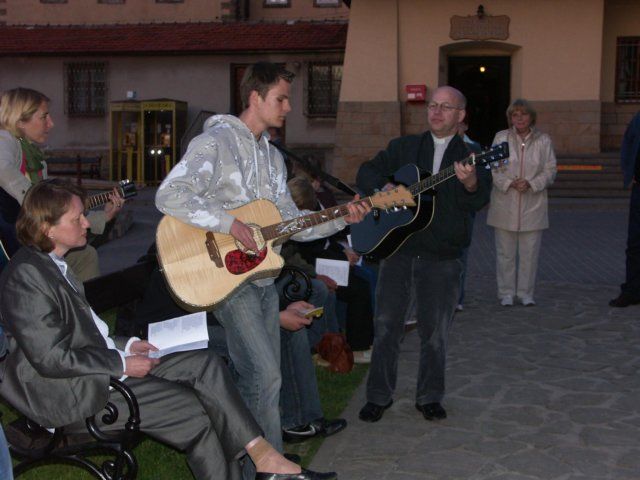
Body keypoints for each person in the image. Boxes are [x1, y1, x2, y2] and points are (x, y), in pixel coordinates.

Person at [0, 178, 336, 480]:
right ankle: (265, 461)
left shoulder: (53, 265)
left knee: (206, 364)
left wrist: (128, 345)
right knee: (201, 413)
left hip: (96, 371)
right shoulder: (27, 276)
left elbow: (85, 334)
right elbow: (51, 358)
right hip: (73, 393)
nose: (87, 222)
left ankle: (264, 458)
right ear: (47, 228)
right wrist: (120, 362)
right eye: (77, 219)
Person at [154, 62, 369, 466]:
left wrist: (342, 216)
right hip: (224, 277)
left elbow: (291, 225)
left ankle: (257, 465)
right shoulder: (215, 142)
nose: (288, 107)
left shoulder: (272, 157)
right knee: (264, 375)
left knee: (262, 378)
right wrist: (230, 224)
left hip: (262, 277)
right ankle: (270, 468)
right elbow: (170, 194)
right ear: (255, 97)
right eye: (281, 99)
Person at [355, 86, 491, 423]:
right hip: (398, 250)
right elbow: (367, 171)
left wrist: (470, 183)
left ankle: (429, 397)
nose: (437, 112)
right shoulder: (404, 147)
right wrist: (383, 188)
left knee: (435, 333)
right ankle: (378, 396)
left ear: (461, 115)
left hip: (443, 256)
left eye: (446, 107)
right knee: (386, 327)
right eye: (433, 105)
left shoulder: (473, 155)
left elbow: (478, 200)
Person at [0, 87, 123, 281]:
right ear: (20, 121)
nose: (51, 123)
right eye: (44, 117)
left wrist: (104, 216)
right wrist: (37, 202)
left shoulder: (35, 158)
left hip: (33, 240)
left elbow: (60, 214)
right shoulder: (6, 140)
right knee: (84, 256)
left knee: (85, 255)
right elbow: (2, 168)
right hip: (17, 242)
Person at [486, 99, 557, 307]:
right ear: (510, 118)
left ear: (531, 117)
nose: (519, 118)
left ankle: (526, 293)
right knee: (505, 254)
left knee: (529, 254)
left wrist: (532, 183)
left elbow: (550, 169)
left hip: (533, 206)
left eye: (523, 114)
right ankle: (506, 293)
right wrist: (509, 182)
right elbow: (494, 167)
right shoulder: (501, 138)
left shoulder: (543, 140)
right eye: (515, 115)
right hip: (505, 205)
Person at [609, 111, 640, 307]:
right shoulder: (638, 119)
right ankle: (632, 291)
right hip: (639, 190)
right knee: (635, 243)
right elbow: (627, 145)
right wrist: (629, 171)